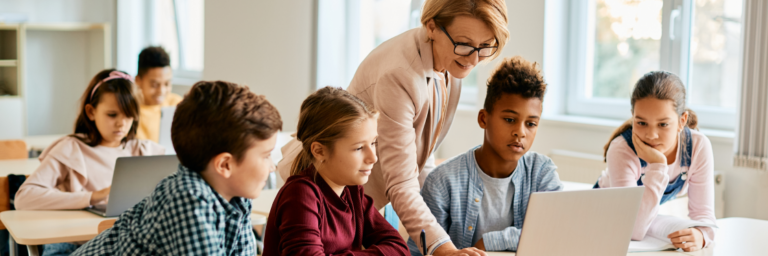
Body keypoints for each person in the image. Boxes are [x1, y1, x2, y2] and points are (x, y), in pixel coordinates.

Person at [278, 1, 510, 255]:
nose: (475, 58)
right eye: (465, 45)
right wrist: (442, 248)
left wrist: (442, 237)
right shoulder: (400, 73)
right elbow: (401, 182)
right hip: (329, 186)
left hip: (356, 197)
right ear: (432, 26)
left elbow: (421, 154)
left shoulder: (451, 62)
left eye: (486, 46)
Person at [73, 80, 282, 255]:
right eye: (265, 156)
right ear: (225, 165)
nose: (273, 166)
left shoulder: (237, 195)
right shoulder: (189, 199)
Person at [413, 57, 562, 254]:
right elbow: (417, 251)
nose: (521, 132)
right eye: (509, 119)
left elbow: (555, 232)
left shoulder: (542, 172)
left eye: (531, 124)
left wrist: (490, 242)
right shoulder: (442, 182)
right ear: (484, 119)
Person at [15, 69, 165, 255]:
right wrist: (93, 196)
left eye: (128, 116)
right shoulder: (70, 149)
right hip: (73, 243)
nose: (121, 124)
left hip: (123, 243)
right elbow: (24, 198)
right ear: (91, 112)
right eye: (112, 115)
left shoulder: (145, 150)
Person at [263, 87, 408, 255]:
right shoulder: (300, 194)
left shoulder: (353, 192)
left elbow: (398, 248)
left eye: (373, 143)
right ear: (319, 151)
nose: (373, 158)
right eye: (359, 147)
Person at [595, 71, 716, 252]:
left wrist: (702, 236)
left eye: (663, 124)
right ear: (633, 115)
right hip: (604, 216)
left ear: (682, 120)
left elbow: (704, 216)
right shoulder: (622, 149)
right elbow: (632, 229)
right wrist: (658, 165)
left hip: (642, 220)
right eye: (641, 123)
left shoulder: (698, 147)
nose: (651, 135)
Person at [134, 46, 183, 143]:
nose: (161, 91)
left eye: (167, 84)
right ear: (138, 81)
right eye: (154, 85)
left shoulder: (177, 104)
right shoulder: (130, 110)